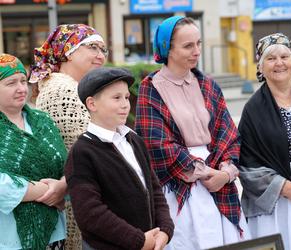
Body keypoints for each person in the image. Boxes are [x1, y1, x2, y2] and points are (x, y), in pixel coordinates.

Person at [134, 16, 251, 250]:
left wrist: (225, 173)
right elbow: (156, 143)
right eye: (188, 46)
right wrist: (204, 172)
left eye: (198, 43)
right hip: (178, 188)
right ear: (167, 48)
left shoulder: (207, 84)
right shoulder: (152, 87)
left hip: (218, 180)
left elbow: (227, 134)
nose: (196, 51)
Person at [64, 67, 174, 250]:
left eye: (126, 97)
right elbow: (90, 213)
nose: (125, 104)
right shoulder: (82, 152)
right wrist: (138, 240)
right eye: (116, 98)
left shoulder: (134, 140)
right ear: (92, 104)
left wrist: (165, 229)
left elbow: (154, 189)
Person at [29, 23, 108, 250]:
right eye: (92, 47)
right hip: (78, 200)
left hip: (82, 194)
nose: (100, 55)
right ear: (67, 51)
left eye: (103, 50)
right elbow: (96, 142)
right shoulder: (61, 89)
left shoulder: (76, 87)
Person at [238, 33, 291, 250]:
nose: (279, 63)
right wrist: (288, 188)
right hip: (276, 200)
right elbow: (246, 164)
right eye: (271, 58)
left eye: (284, 56)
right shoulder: (252, 110)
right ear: (261, 67)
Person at [0, 53, 67, 250]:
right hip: (9, 238)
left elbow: (67, 164)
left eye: (23, 80)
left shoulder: (42, 121)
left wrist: (64, 185)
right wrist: (50, 191)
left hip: (55, 232)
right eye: (11, 83)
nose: (21, 88)